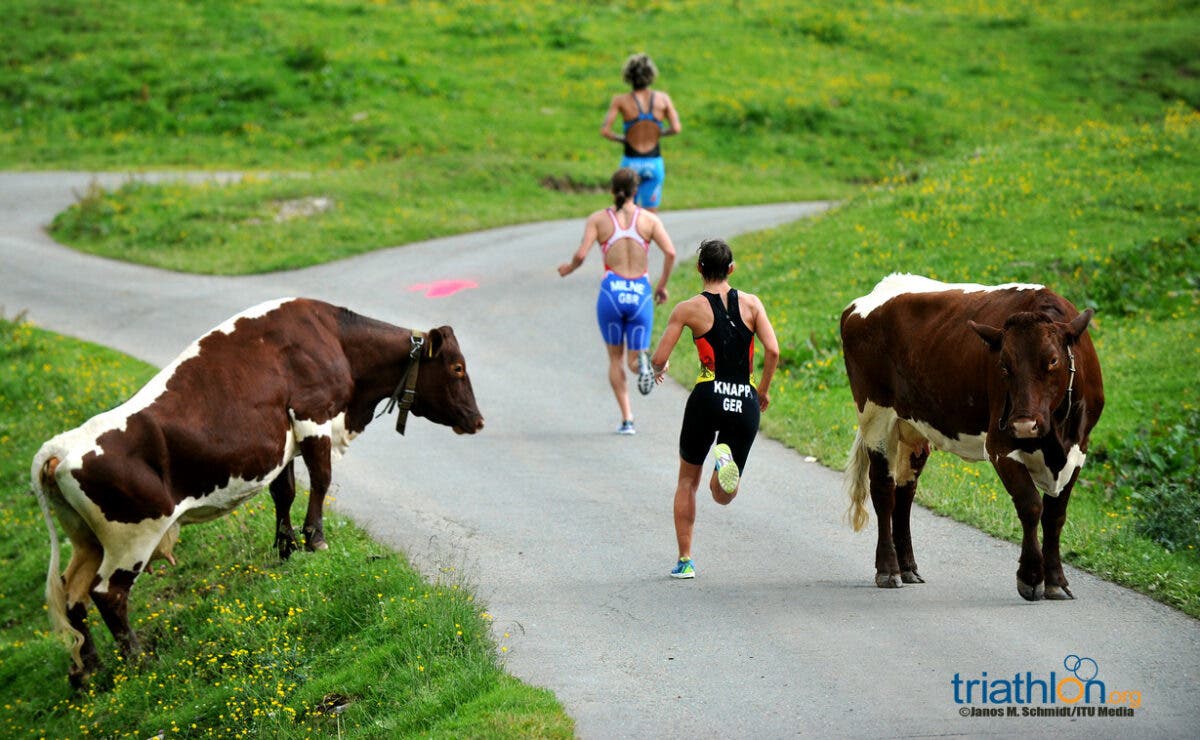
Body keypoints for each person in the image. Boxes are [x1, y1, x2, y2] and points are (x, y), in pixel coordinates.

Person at [647, 238, 779, 579]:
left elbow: (658, 359)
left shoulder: (688, 308)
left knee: (687, 480)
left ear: (699, 269)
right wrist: (761, 392)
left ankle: (685, 561)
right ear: (732, 268)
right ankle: (724, 462)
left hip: (707, 397)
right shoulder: (752, 304)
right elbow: (774, 350)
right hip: (744, 400)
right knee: (723, 495)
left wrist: (660, 367)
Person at [558, 168, 677, 435]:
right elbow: (670, 252)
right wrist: (662, 286)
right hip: (639, 293)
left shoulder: (599, 220)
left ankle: (627, 419)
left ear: (612, 190)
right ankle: (645, 365)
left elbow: (580, 254)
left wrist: (569, 269)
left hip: (611, 293)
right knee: (634, 361)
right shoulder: (649, 220)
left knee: (615, 359)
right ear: (637, 191)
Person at [600, 53, 681, 212]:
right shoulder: (663, 99)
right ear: (651, 75)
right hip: (654, 162)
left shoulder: (620, 100)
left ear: (628, 76)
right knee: (651, 217)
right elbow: (676, 128)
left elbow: (605, 131)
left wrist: (625, 139)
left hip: (630, 164)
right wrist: (657, 133)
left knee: (627, 214)